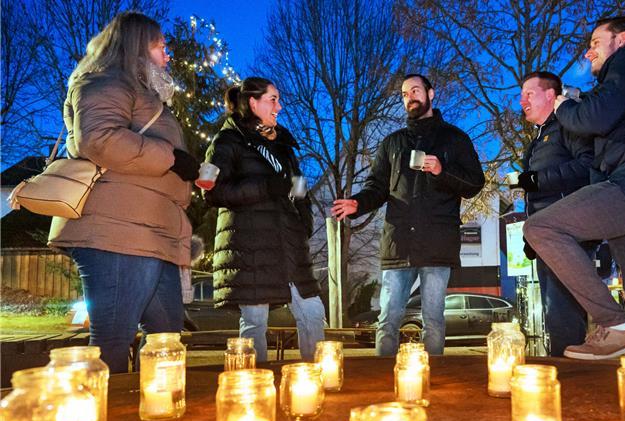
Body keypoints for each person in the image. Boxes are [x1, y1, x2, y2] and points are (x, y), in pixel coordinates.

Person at [523, 16, 625, 362]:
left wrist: (566, 106)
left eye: (595, 43)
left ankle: (613, 323)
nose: (588, 53)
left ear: (621, 39)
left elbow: (592, 119)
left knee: (541, 227)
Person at [48, 12, 200, 374]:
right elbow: (99, 139)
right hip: (117, 230)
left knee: (166, 335)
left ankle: (155, 402)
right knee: (113, 339)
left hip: (148, 231)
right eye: (160, 45)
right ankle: (101, 408)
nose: (167, 54)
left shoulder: (142, 93)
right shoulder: (106, 82)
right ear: (137, 46)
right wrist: (171, 157)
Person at [331, 74, 485, 356]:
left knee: (433, 322)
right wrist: (358, 203)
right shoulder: (392, 143)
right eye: (404, 94)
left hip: (437, 245)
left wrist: (442, 171)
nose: (409, 97)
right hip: (398, 244)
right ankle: (383, 378)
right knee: (387, 321)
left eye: (415, 90)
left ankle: (432, 378)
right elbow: (376, 188)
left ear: (431, 93)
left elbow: (475, 183)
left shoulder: (455, 139)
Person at [204, 77, 325, 362]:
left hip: (289, 246)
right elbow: (211, 191)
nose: (279, 107)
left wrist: (303, 222)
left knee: (313, 312)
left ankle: (317, 375)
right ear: (253, 103)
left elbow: (299, 188)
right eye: (273, 100)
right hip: (251, 250)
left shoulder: (282, 144)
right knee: (255, 322)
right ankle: (254, 382)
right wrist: (265, 188)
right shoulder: (227, 140)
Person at [515, 71, 593, 356]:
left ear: (550, 95)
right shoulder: (538, 139)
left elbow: (589, 166)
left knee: (563, 311)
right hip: (546, 238)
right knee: (553, 310)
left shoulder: (568, 126)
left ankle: (570, 372)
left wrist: (538, 179)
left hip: (568, 235)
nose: (522, 101)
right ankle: (562, 366)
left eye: (529, 94)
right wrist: (530, 237)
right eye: (521, 95)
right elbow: (537, 195)